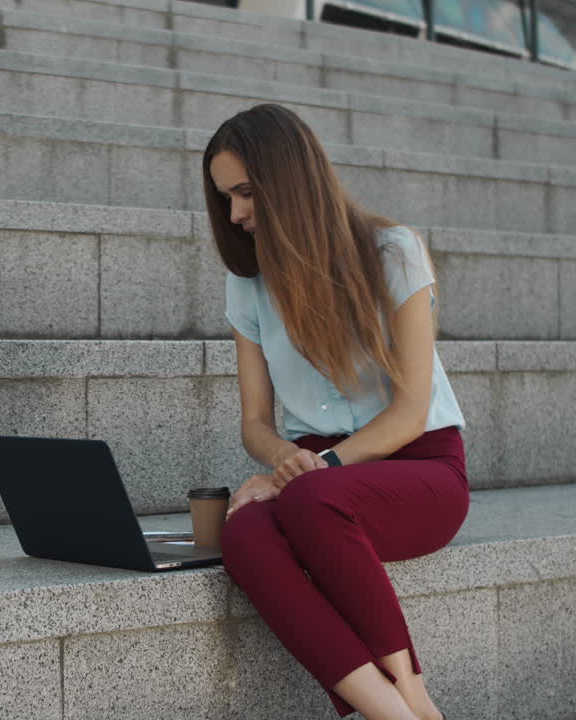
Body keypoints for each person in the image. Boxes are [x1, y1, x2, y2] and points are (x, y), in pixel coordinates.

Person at [204, 103, 469, 720]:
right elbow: (255, 423)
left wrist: (309, 471)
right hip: (319, 476)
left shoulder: (394, 252)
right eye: (225, 199)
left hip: (419, 469)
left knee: (309, 500)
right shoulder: (247, 283)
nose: (236, 214)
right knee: (241, 532)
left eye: (246, 193)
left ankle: (415, 695)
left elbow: (409, 414)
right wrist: (281, 461)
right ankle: (394, 714)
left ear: (290, 179)